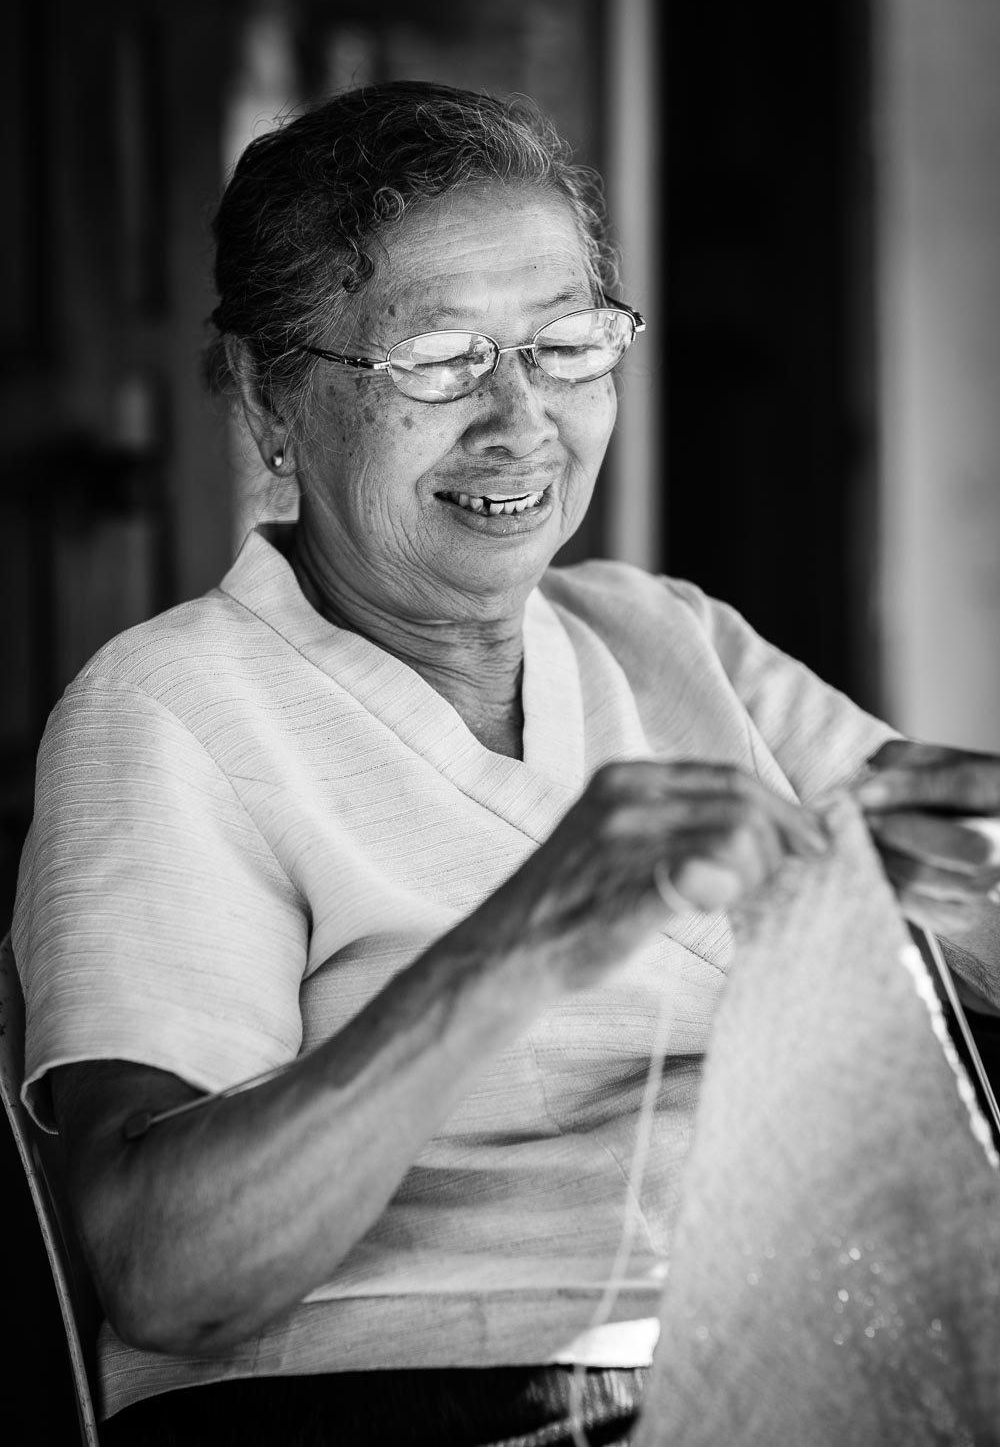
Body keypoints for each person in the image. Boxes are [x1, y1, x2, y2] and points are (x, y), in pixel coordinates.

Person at [12, 82, 1000, 1447]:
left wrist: (959, 875)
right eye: (437, 362)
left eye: (568, 345)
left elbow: (953, 857)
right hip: (441, 1412)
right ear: (268, 398)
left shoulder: (661, 636)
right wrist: (524, 939)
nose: (521, 422)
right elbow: (164, 1271)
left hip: (803, 1376)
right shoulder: (172, 709)